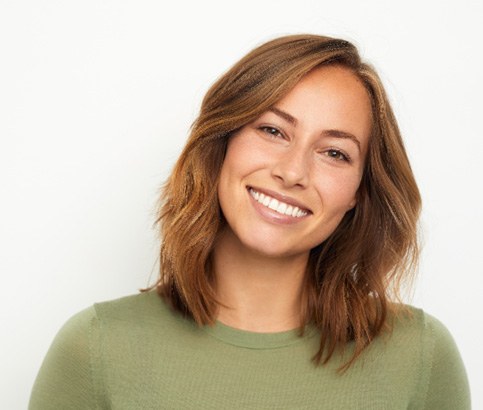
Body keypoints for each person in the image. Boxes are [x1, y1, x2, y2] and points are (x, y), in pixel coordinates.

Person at [29, 34, 470, 409]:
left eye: (334, 152)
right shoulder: (97, 349)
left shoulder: (420, 358)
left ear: (359, 193)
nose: (293, 173)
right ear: (222, 142)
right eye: (272, 130)